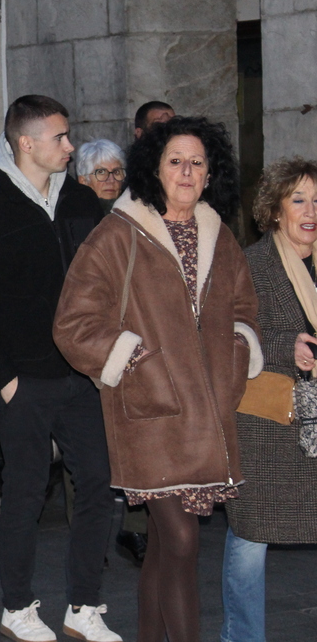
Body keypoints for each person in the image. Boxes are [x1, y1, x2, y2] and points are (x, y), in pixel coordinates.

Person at [53, 116, 261, 642]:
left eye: (197, 162)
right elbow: (73, 323)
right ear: (154, 168)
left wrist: (238, 351)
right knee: (183, 541)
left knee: (167, 549)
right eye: (175, 161)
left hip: (207, 416)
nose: (186, 172)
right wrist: (134, 360)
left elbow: (244, 307)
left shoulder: (219, 235)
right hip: (148, 414)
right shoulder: (118, 233)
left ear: (211, 173)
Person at [0, 95, 120, 642]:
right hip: (24, 382)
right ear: (26, 142)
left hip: (83, 376)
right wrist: (5, 380)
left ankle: (83, 606)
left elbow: (110, 284)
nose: (70, 146)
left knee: (99, 484)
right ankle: (16, 607)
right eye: (60, 137)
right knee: (25, 493)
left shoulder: (83, 205)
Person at [221, 158, 317, 642]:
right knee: (251, 535)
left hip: (312, 420)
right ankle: (242, 636)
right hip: (268, 423)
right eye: (298, 199)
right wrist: (285, 345)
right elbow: (227, 332)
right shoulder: (251, 263)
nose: (310, 210)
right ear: (276, 209)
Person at [75, 140, 126, 211]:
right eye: (101, 172)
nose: (111, 180)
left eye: (116, 172)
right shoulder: (74, 215)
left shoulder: (134, 212)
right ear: (83, 181)